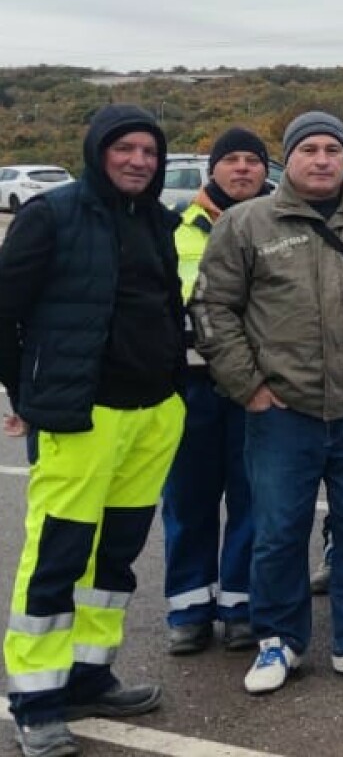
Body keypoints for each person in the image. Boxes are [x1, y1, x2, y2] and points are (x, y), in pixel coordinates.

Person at [192, 111, 343, 695]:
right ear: (289, 158)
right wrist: (250, 386)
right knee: (278, 529)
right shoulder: (248, 224)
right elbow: (213, 309)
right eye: (309, 149)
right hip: (281, 410)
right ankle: (280, 641)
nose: (322, 159)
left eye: (332, 148)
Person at [0, 105, 186, 756]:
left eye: (149, 151)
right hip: (82, 418)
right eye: (125, 148)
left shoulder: (158, 221)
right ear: (98, 150)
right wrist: (26, 394)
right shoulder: (49, 216)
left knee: (113, 562)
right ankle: (36, 699)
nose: (138, 160)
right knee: (56, 557)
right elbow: (6, 312)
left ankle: (88, 674)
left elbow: (167, 308)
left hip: (153, 414)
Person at [162, 127, 272, 657]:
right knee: (189, 500)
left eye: (254, 160)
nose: (244, 168)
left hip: (258, 389)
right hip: (191, 388)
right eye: (233, 159)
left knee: (254, 500)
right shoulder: (176, 228)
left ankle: (240, 607)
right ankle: (188, 610)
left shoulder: (282, 226)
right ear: (214, 169)